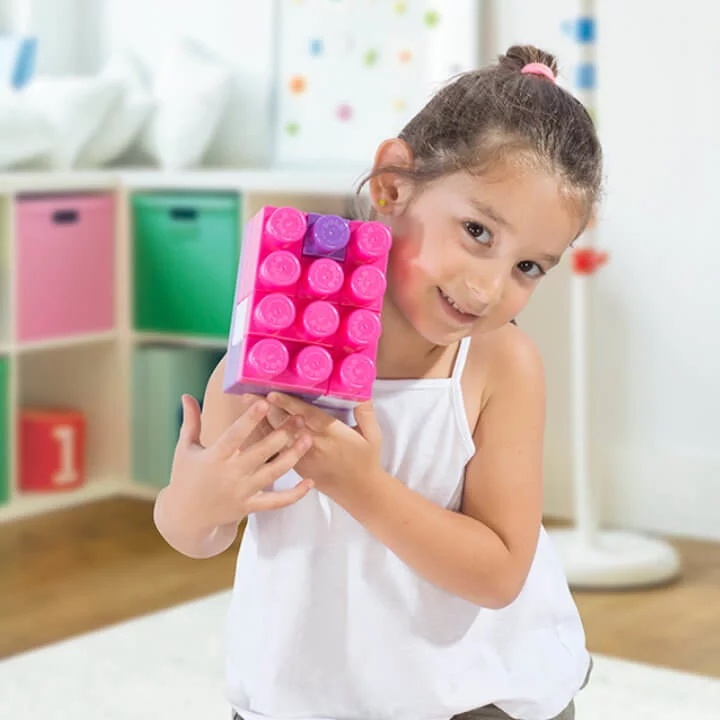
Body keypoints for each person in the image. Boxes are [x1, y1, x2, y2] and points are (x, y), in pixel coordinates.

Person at [154, 44, 602, 720]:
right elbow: (196, 533)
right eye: (477, 231)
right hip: (306, 699)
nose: (489, 288)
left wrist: (360, 485)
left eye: (529, 267)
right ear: (391, 186)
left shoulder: (499, 365)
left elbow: (500, 574)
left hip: (473, 697)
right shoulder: (275, 351)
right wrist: (196, 501)